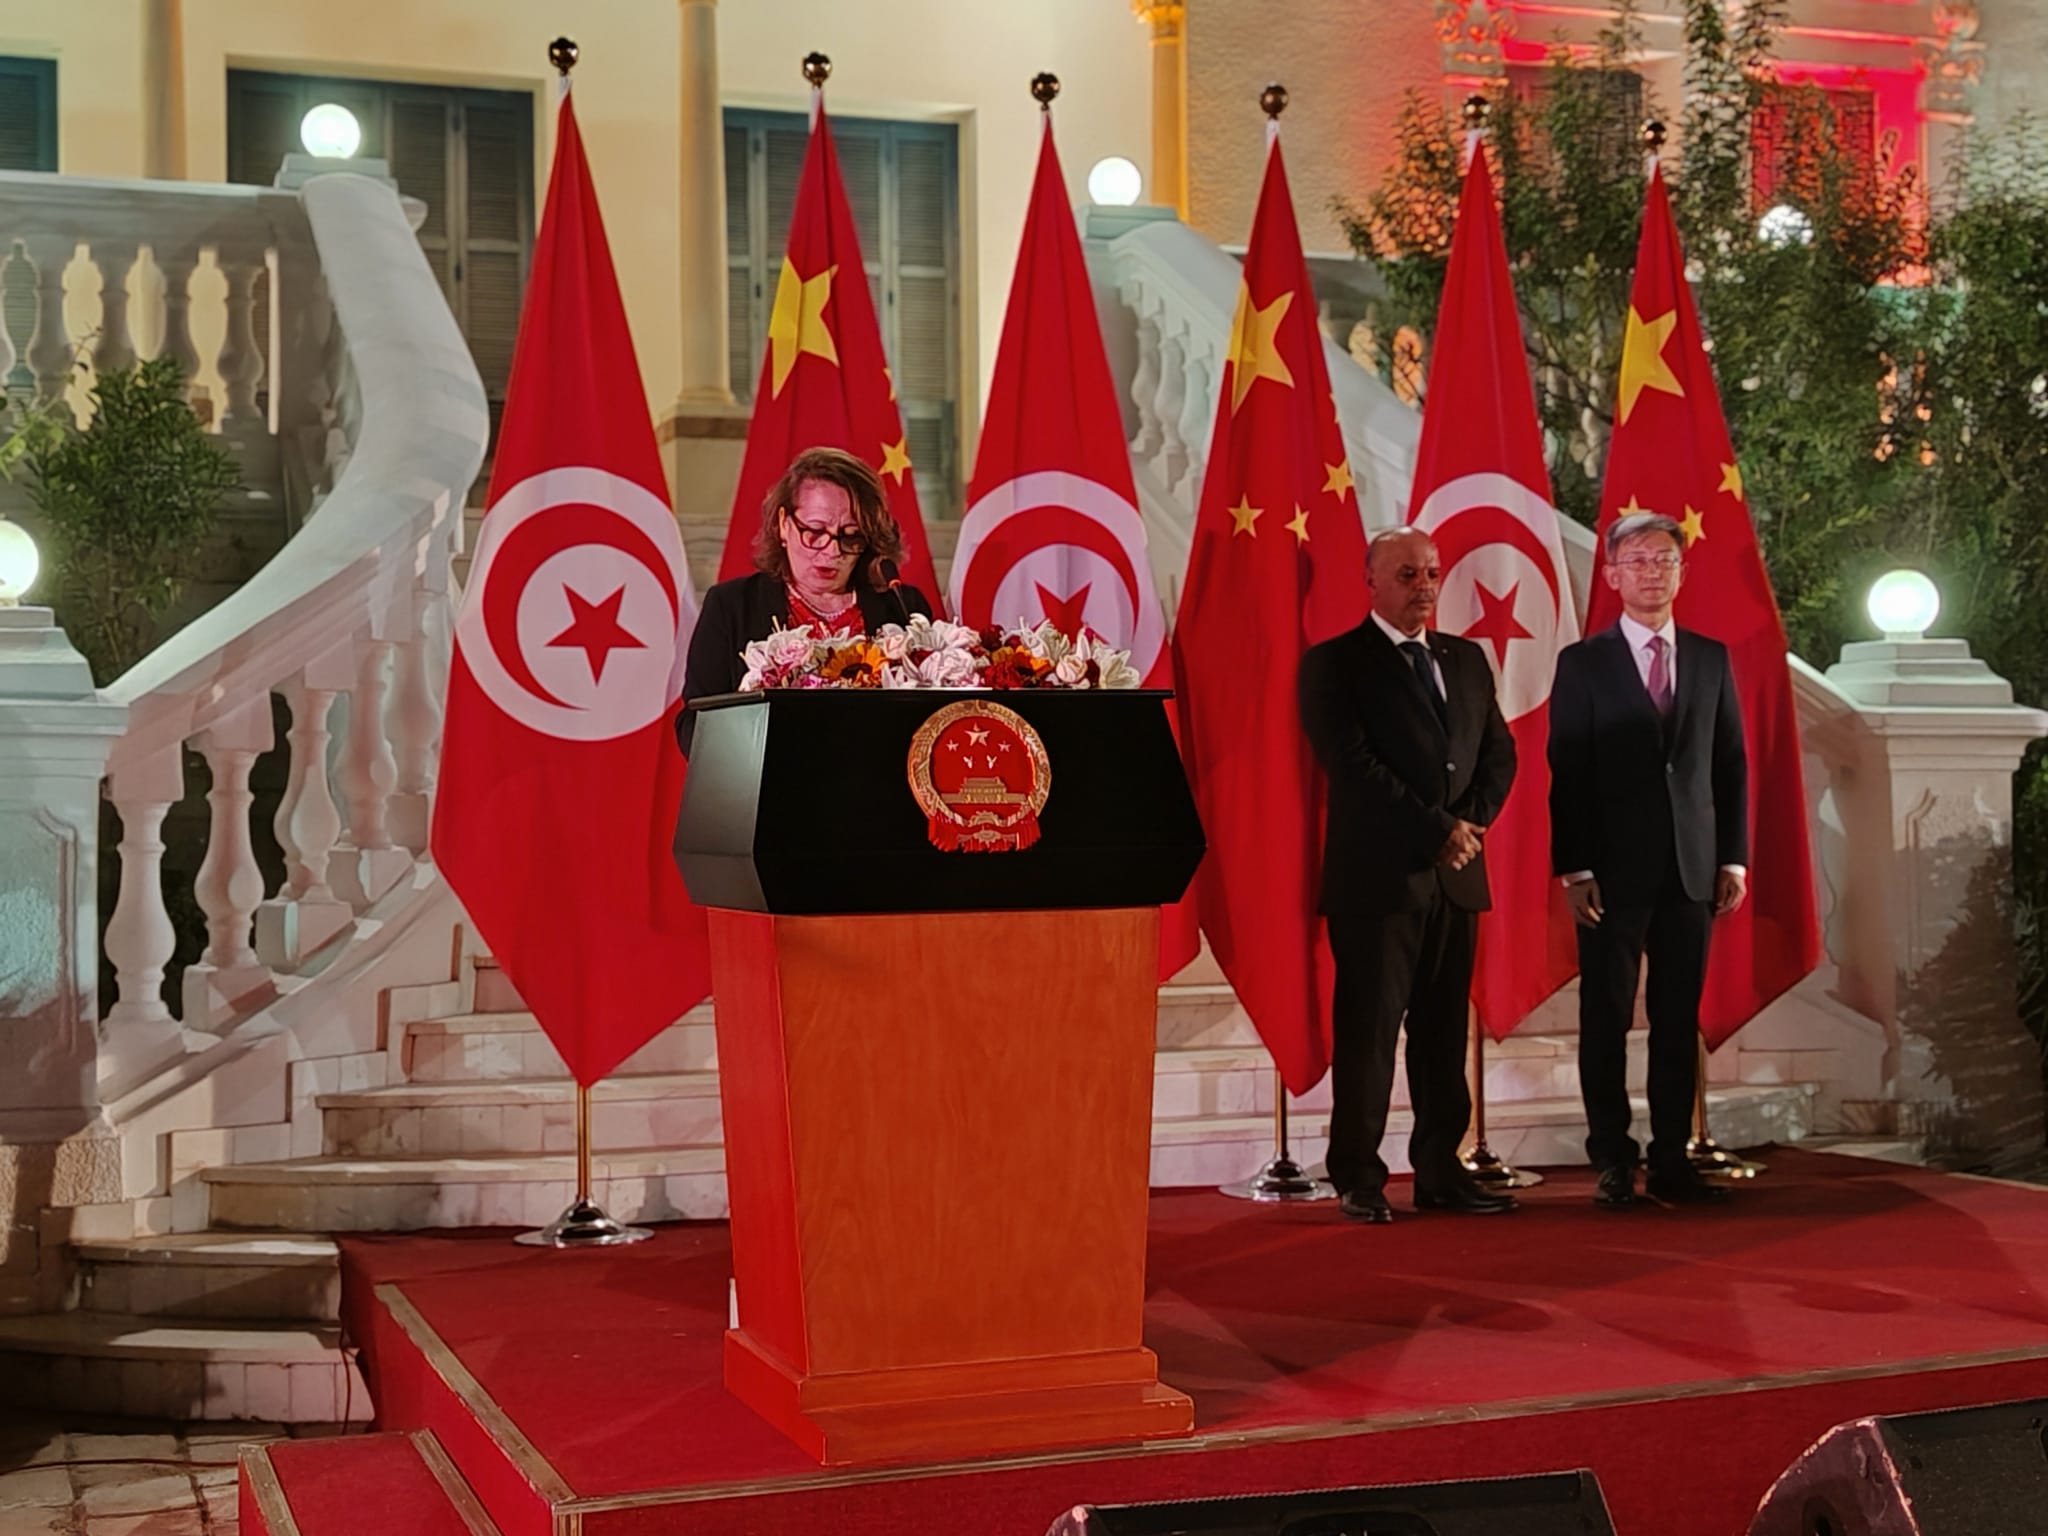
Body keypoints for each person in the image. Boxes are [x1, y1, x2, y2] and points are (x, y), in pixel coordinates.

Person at [1298, 527, 1519, 1224]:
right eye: (1406, 574)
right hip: (1379, 881)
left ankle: (1439, 1171)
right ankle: (1359, 1176)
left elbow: (1499, 754)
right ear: (1371, 580)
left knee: (1442, 1034)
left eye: (1431, 573)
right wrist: (1436, 830)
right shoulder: (1336, 663)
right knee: (1369, 1035)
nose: (1423, 587)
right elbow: (1353, 767)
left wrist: (1467, 827)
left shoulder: (1466, 659)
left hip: (1456, 877)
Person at [1547, 510, 1748, 1210]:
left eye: (1664, 560)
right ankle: (1611, 1157)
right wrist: (1575, 869)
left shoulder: (1711, 658)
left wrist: (1733, 858)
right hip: (1610, 872)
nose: (1652, 572)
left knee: (1675, 1016)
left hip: (1691, 870)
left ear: (1682, 573)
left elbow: (1729, 763)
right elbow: (1567, 771)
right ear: (1612, 575)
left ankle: (1671, 1157)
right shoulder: (1583, 663)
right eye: (1637, 561)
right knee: (1606, 1016)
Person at [679, 446, 932, 747]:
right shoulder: (732, 605)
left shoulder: (902, 606)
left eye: (851, 535)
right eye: (815, 531)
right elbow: (694, 724)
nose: (832, 551)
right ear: (784, 525)